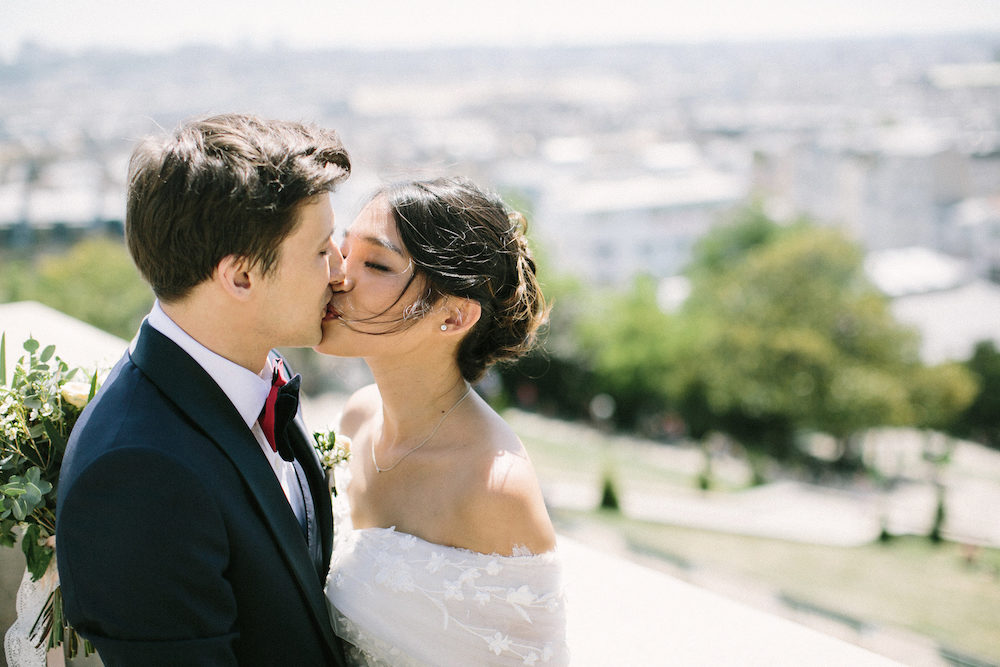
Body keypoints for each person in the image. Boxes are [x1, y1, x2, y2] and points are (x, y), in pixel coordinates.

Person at [56, 113, 352, 666]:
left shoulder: (253, 373)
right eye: (320, 250)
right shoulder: (136, 474)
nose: (341, 270)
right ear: (240, 277)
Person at [317, 177, 570, 666]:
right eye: (344, 251)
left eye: (376, 263)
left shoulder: (494, 487)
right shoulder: (358, 417)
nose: (338, 275)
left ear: (453, 317)